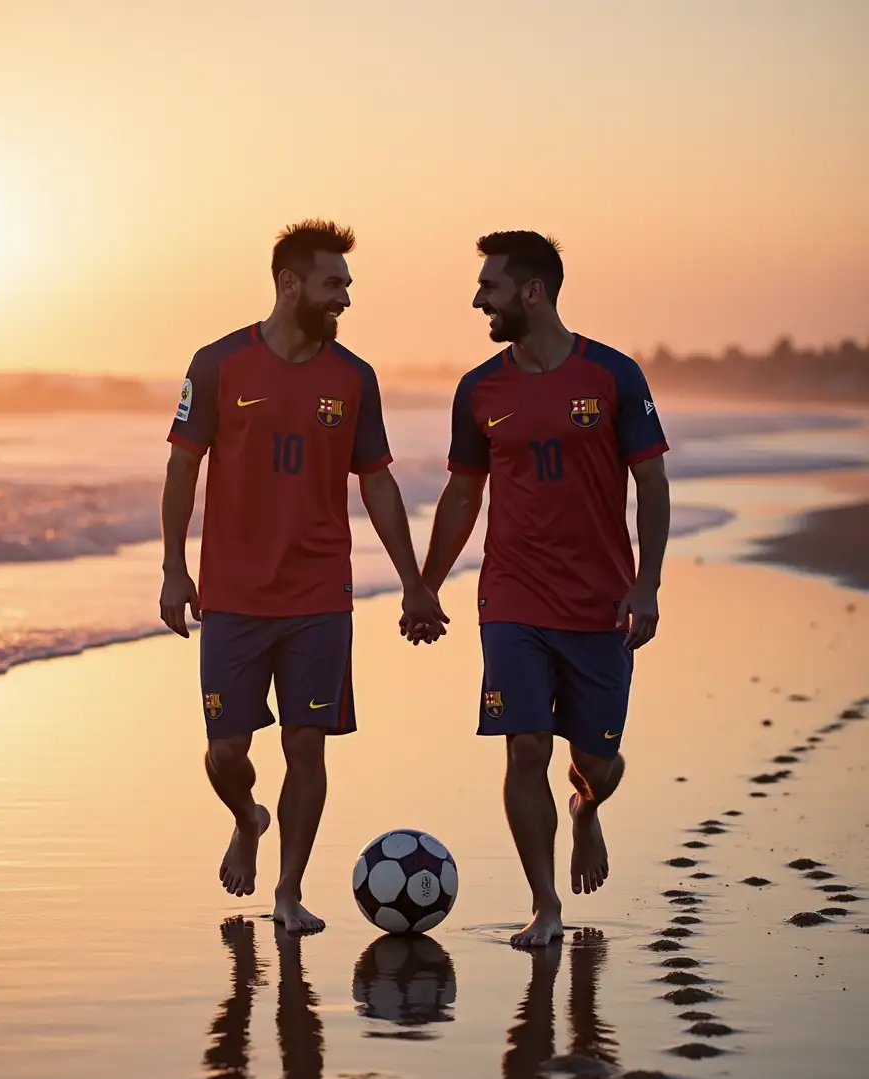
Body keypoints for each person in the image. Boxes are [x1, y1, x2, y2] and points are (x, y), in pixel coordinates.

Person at [160, 219, 445, 933]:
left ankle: (287, 891)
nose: (345, 297)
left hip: (320, 595)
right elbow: (182, 466)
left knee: (304, 744)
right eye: (333, 284)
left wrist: (414, 581)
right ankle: (247, 819)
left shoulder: (353, 379)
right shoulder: (218, 363)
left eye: (347, 284)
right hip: (232, 595)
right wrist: (173, 568)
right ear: (290, 285)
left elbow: (376, 483)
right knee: (227, 753)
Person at [408, 231, 670, 948]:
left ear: (532, 290)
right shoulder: (479, 389)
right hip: (513, 597)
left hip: (600, 600)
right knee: (525, 747)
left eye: (489, 286)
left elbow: (650, 482)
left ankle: (587, 810)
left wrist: (645, 585)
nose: (477, 299)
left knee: (597, 762)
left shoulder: (613, 376)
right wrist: (424, 586)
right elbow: (463, 497)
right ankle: (545, 903)